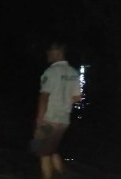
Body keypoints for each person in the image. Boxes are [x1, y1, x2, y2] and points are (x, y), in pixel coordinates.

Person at [35, 42, 81, 179]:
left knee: (43, 154)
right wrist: (64, 102)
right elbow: (77, 97)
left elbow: (44, 97)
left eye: (50, 51)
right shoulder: (73, 72)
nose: (47, 54)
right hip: (64, 120)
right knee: (52, 150)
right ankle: (64, 175)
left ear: (58, 52)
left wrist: (39, 121)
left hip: (50, 119)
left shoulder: (51, 72)